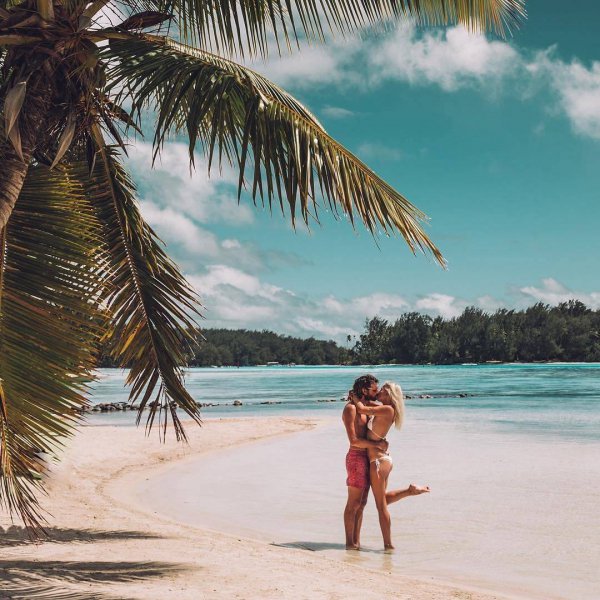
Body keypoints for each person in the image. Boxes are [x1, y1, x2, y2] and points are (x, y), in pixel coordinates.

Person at [350, 381, 430, 550]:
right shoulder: (384, 407)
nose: (379, 392)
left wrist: (355, 397)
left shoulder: (387, 409)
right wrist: (360, 398)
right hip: (381, 459)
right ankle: (410, 490)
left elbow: (363, 409)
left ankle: (388, 546)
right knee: (383, 501)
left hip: (378, 462)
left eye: (383, 391)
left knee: (381, 506)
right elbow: (366, 405)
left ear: (390, 395)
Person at [342, 374, 387, 550]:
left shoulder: (363, 407)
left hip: (367, 458)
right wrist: (378, 444)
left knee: (362, 504)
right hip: (355, 458)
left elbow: (385, 407)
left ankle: (356, 543)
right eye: (374, 390)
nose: (376, 393)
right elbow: (354, 441)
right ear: (363, 390)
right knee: (353, 503)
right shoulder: (351, 409)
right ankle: (349, 543)